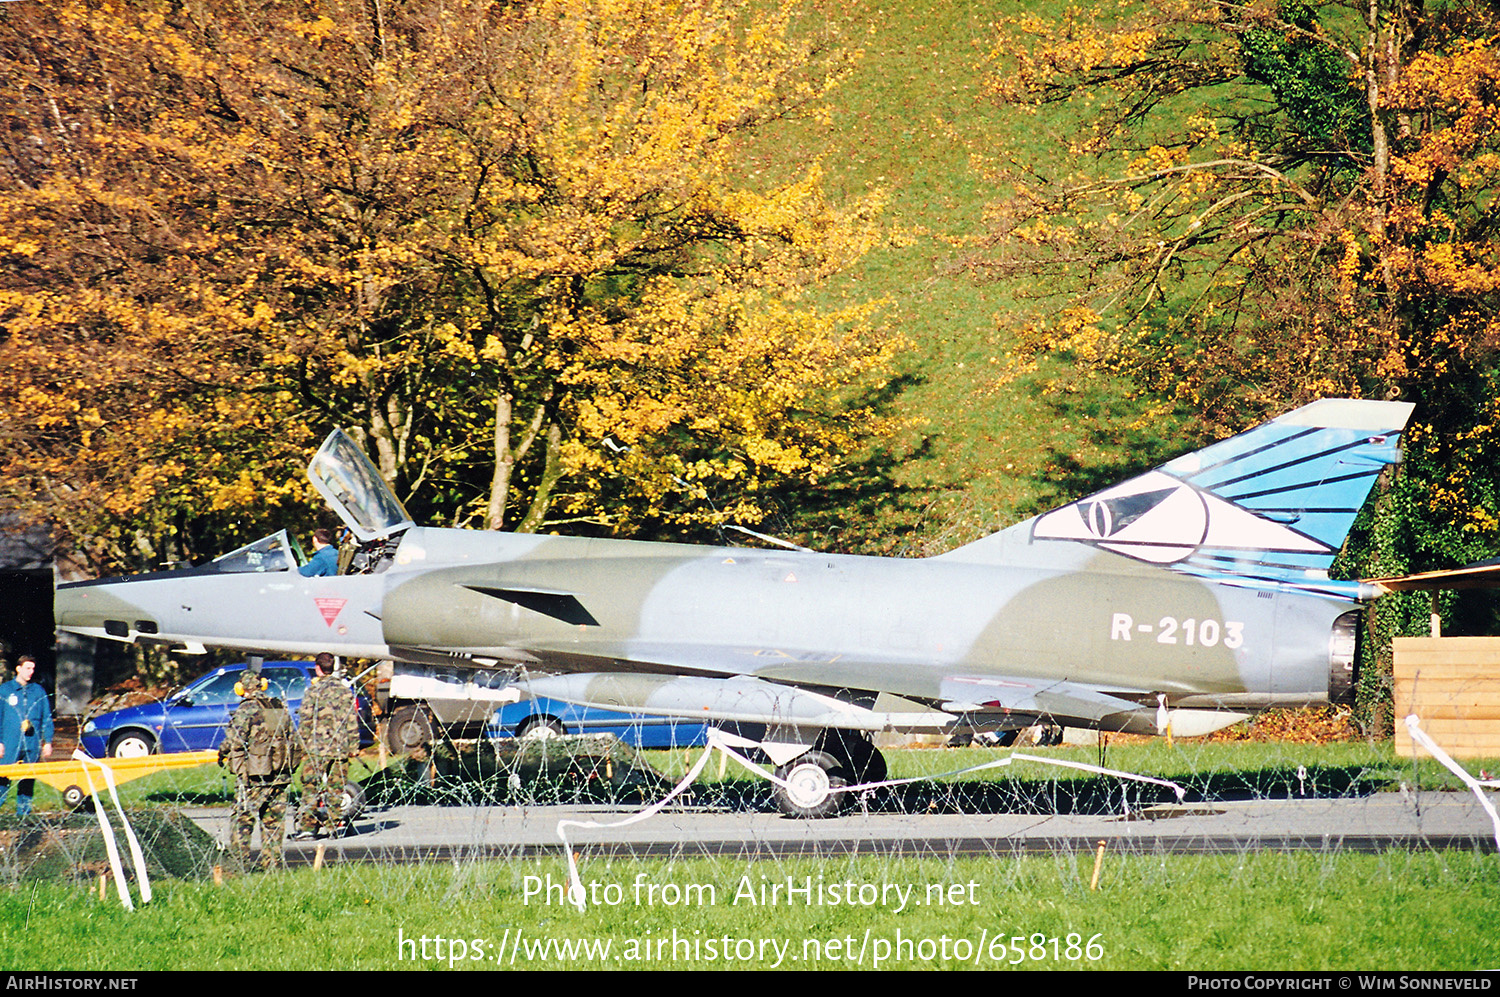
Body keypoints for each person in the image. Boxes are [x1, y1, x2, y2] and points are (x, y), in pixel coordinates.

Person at [217, 662, 300, 871]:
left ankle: (239, 864)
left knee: (242, 819)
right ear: (262, 686)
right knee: (273, 822)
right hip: (280, 774)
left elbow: (235, 739)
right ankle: (272, 865)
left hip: (254, 777)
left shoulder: (246, 709)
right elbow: (292, 737)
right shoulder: (277, 706)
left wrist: (222, 752)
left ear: (241, 689)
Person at [294, 652, 359, 839]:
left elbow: (305, 721)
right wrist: (354, 746)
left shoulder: (313, 692)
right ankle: (333, 825)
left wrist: (301, 746)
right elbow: (352, 721)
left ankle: (308, 826)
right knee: (336, 788)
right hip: (340, 748)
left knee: (310, 787)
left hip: (316, 749)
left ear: (317, 668)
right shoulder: (345, 692)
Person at [0, 656, 54, 817]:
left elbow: (46, 717)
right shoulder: (5, 690)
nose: (31, 672)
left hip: (31, 743)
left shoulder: (37, 691)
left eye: (32, 669)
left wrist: (48, 741)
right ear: (18, 668)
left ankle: (23, 815)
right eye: (27, 668)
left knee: (28, 780)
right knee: (3, 778)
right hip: (10, 742)